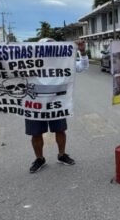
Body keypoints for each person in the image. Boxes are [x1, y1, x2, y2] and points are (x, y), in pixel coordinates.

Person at [28, 40, 87, 173]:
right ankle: (39, 159)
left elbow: (81, 67)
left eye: (53, 46)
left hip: (57, 103)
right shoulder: (29, 62)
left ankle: (62, 155)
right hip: (35, 104)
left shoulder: (62, 61)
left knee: (60, 130)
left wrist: (82, 52)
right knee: (36, 133)